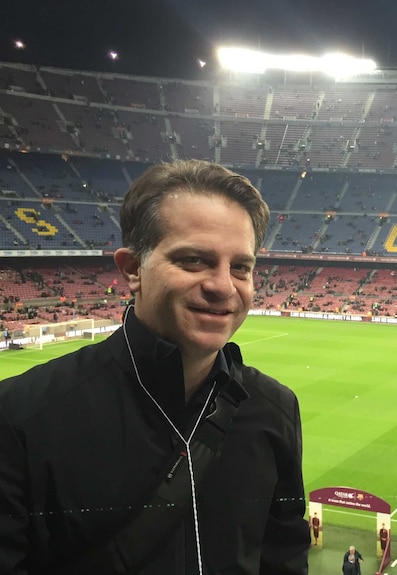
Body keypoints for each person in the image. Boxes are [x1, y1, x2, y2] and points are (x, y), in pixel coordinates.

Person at [0, 159, 310, 574]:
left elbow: (284, 558)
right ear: (132, 269)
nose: (222, 285)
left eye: (240, 267)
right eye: (194, 260)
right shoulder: (20, 418)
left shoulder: (274, 409)